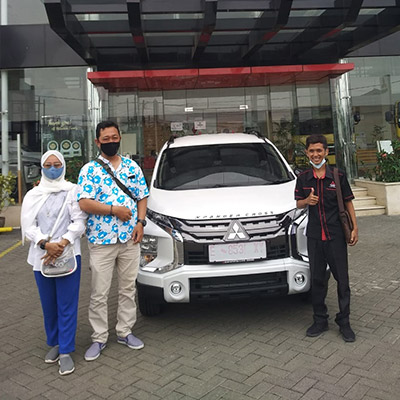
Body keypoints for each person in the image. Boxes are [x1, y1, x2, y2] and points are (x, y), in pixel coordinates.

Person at [77, 120, 149, 361]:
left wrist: (140, 223)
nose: (111, 142)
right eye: (106, 139)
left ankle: (125, 331)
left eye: (114, 138)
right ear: (97, 142)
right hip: (101, 241)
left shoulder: (131, 166)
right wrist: (113, 210)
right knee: (99, 292)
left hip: (130, 238)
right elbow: (84, 202)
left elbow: (142, 196)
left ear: (120, 138)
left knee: (128, 288)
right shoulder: (89, 170)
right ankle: (99, 337)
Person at [21, 150, 87, 375]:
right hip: (41, 257)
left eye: (57, 164)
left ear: (63, 166)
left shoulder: (72, 191)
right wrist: (45, 244)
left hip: (68, 254)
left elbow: (79, 221)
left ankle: (66, 350)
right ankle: (55, 343)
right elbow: (28, 225)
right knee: (49, 305)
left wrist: (62, 243)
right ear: (42, 168)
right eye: (48, 165)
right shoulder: (33, 194)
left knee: (67, 304)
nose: (52, 168)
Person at [294, 134, 358, 342]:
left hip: (335, 236)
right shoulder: (303, 178)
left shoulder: (338, 176)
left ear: (326, 152)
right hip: (314, 236)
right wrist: (307, 200)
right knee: (317, 279)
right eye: (312, 151)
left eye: (319, 150)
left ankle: (344, 322)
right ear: (307, 153)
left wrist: (355, 228)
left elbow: (348, 202)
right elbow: (298, 203)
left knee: (342, 280)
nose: (316, 154)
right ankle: (320, 320)